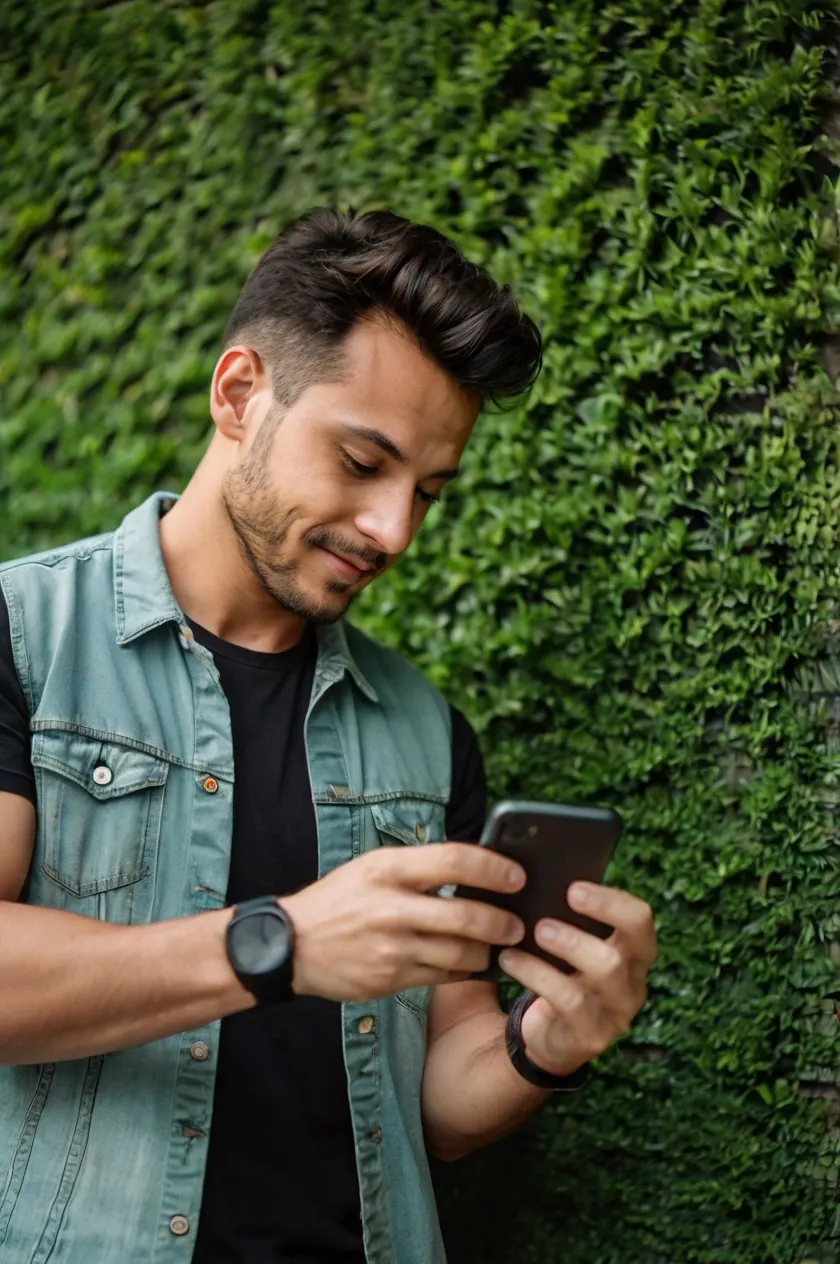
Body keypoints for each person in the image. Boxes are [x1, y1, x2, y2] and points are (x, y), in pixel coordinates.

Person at [0, 208, 656, 1264]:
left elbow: (439, 1098)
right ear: (239, 393)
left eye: (428, 494)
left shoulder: (428, 733)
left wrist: (544, 1047)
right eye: (362, 462)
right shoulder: (22, 636)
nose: (394, 530)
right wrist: (281, 943)